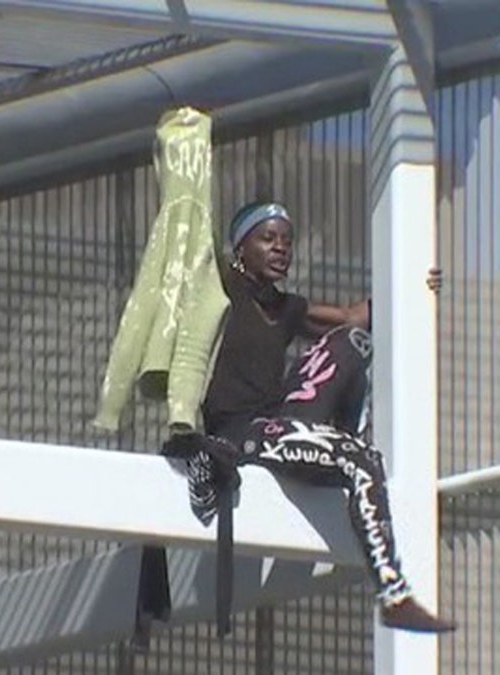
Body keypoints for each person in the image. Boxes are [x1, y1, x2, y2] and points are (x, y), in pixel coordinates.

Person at [177, 200, 454, 634]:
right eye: (268, 239)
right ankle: (393, 593)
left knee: (351, 339)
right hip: (239, 435)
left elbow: (350, 317)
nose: (280, 248)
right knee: (363, 460)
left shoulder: (287, 309)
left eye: (286, 241)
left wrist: (416, 286)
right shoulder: (224, 288)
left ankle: (338, 443)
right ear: (240, 249)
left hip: (278, 422)